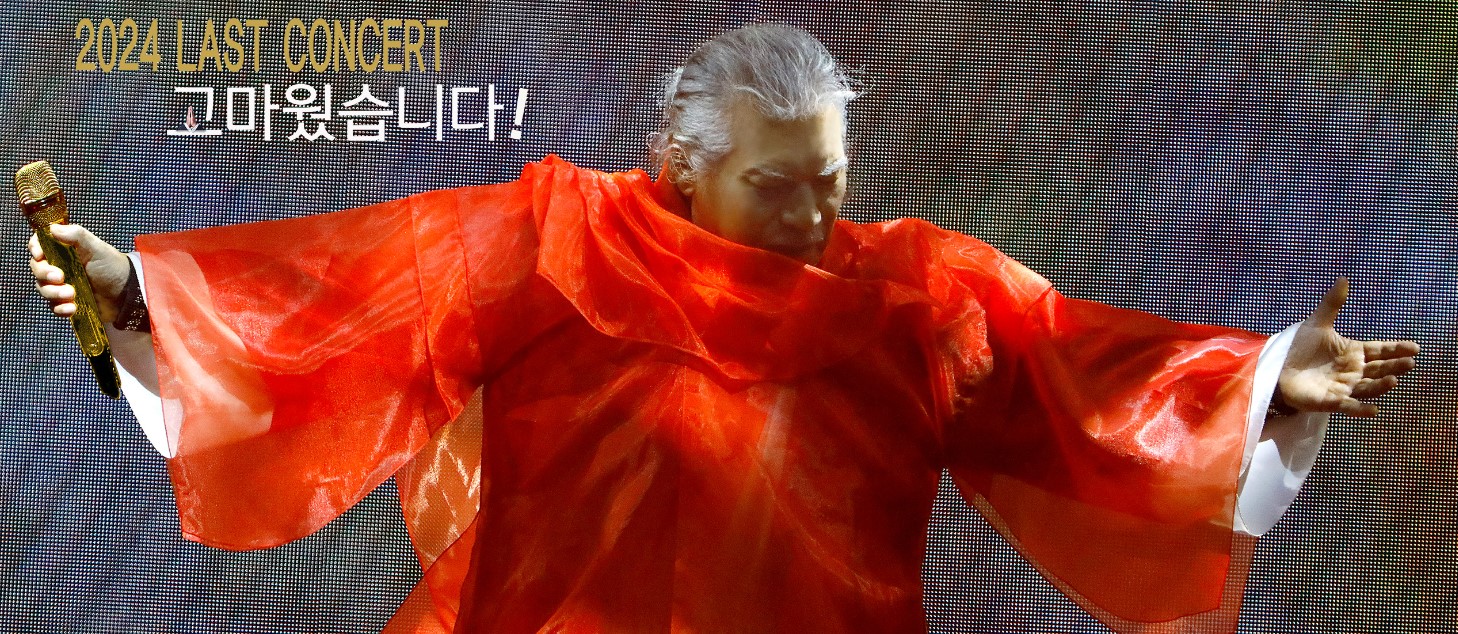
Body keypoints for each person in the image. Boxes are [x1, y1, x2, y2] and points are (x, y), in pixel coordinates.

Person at [28, 24, 1418, 633]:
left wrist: (1258, 382)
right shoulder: (544, 246)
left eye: (831, 180)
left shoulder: (915, 295)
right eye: (774, 184)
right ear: (685, 169)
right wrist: (137, 293)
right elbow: (343, 303)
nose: (812, 215)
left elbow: (1081, 370)